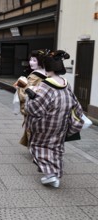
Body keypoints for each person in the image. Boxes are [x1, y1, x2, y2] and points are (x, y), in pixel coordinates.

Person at [18, 50, 83, 188]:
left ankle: (50, 175)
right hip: (61, 124)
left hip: (45, 124)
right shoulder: (66, 83)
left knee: (39, 147)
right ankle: (56, 173)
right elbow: (76, 105)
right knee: (56, 148)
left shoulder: (46, 84)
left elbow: (35, 108)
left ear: (48, 68)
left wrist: (30, 94)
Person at [15, 49, 49, 146]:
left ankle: (35, 148)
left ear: (41, 61)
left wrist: (20, 85)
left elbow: (25, 94)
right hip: (44, 105)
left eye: (34, 60)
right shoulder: (48, 74)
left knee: (31, 128)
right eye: (30, 59)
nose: (31, 62)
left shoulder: (34, 76)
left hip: (34, 105)